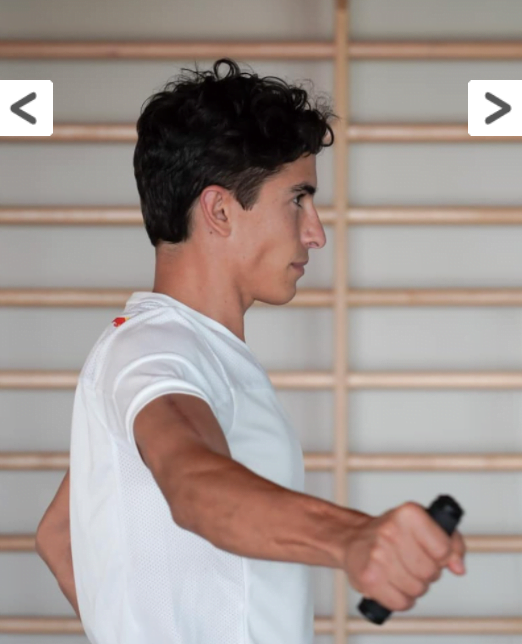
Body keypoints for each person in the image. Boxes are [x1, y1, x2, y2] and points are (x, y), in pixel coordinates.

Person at [35, 58, 466, 644]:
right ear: (218, 210)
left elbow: (60, 535)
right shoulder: (155, 348)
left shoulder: (179, 347)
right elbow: (195, 486)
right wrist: (351, 538)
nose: (316, 232)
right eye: (298, 199)